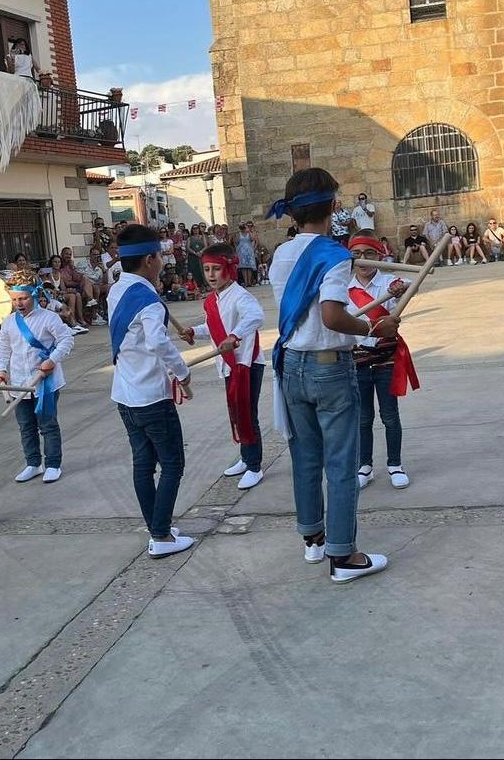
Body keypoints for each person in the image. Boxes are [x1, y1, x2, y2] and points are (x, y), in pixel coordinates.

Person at [267, 167, 399, 583]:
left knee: (305, 457)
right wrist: (374, 328)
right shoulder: (333, 256)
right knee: (340, 463)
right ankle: (343, 557)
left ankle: (314, 539)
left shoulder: (280, 256)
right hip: (328, 367)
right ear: (334, 206)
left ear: (292, 213)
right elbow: (332, 315)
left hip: (291, 365)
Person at [108, 224, 195, 558]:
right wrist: (184, 376)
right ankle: (161, 536)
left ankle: (158, 526)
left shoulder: (116, 291)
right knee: (173, 463)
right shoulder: (149, 301)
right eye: (159, 255)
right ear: (148, 260)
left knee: (143, 464)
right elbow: (159, 343)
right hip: (151, 397)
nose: (162, 261)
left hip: (125, 395)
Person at [179, 242, 266, 491]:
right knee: (236, 412)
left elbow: (256, 316)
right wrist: (194, 331)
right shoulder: (213, 300)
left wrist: (235, 336)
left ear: (229, 268)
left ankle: (254, 466)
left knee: (247, 413)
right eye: (206, 270)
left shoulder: (241, 296)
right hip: (228, 365)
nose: (211, 275)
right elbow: (215, 330)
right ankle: (246, 456)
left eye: (216, 269)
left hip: (246, 363)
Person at [347, 232, 415, 491]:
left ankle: (395, 465)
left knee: (390, 416)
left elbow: (409, 280)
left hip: (386, 360)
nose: (363, 260)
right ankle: (365, 466)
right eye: (357, 254)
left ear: (380, 256)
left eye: (370, 254)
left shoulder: (389, 282)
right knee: (363, 418)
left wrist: (400, 288)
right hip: (359, 360)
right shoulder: (345, 288)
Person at [0, 269, 75, 484]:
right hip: (20, 383)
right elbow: (3, 348)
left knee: (47, 425)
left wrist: (52, 360)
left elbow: (66, 340)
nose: (18, 303)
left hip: (45, 383)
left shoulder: (48, 318)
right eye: (14, 300)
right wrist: (1, 370)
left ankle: (53, 464)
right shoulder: (9, 322)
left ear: (34, 295)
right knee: (26, 426)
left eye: (23, 298)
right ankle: (33, 463)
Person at [79, 246, 110, 324]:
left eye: (97, 255)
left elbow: (105, 282)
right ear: (90, 255)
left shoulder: (100, 267)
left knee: (107, 286)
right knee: (87, 280)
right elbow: (78, 277)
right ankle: (94, 315)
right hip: (84, 286)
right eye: (94, 254)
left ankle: (106, 311)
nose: (96, 256)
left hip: (96, 286)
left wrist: (103, 270)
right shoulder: (82, 264)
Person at [236, 222, 258, 287]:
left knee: (249, 267)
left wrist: (249, 231)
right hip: (241, 251)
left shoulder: (249, 233)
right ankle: (246, 281)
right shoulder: (239, 234)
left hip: (249, 251)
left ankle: (249, 281)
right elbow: (236, 241)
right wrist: (238, 231)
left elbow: (252, 239)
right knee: (243, 267)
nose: (243, 228)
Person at [187, 223, 207, 289]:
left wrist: (201, 252)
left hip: (201, 256)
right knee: (195, 271)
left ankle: (204, 284)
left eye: (197, 228)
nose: (195, 230)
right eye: (194, 229)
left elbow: (205, 246)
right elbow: (188, 248)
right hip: (193, 257)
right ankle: (196, 285)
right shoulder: (190, 238)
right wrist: (195, 253)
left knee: (202, 270)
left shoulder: (202, 237)